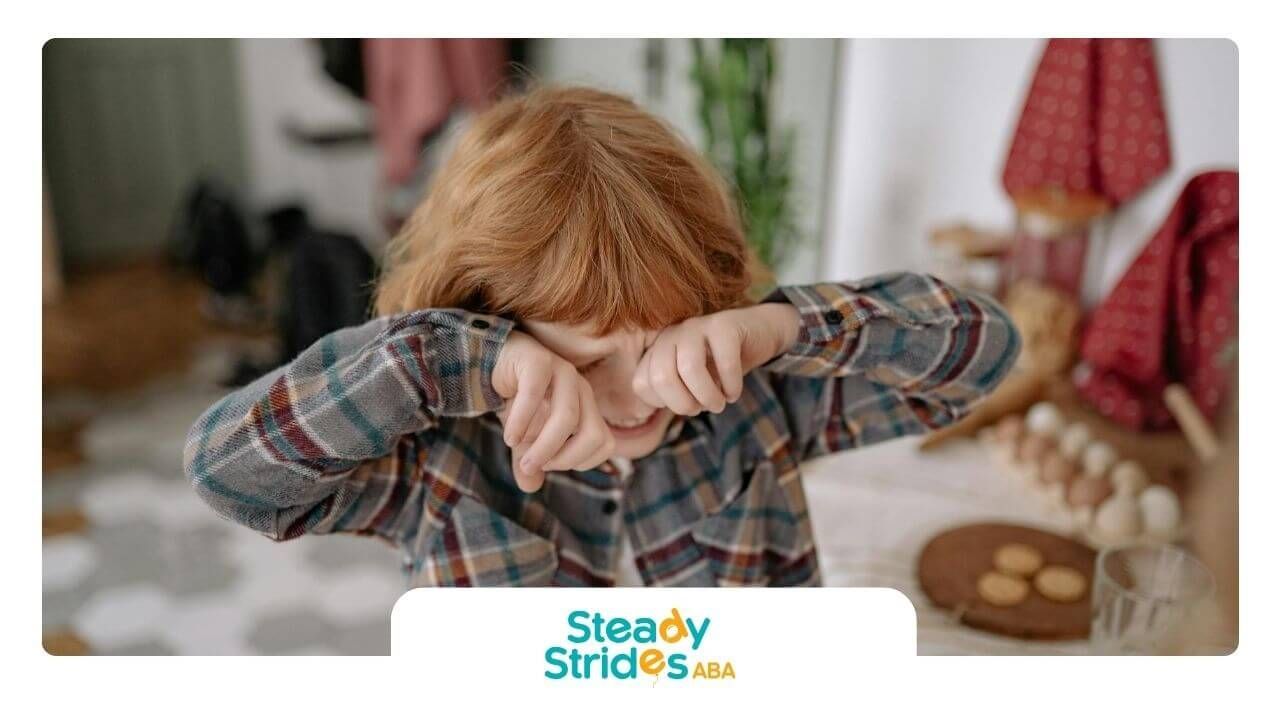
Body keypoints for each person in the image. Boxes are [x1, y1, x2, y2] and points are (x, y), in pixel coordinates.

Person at [184, 85, 1021, 587]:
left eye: (662, 340)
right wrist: (446, 362)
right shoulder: (440, 459)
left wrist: (784, 324)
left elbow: (981, 358)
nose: (634, 392)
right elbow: (230, 476)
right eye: (584, 362)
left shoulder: (756, 403)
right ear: (488, 323)